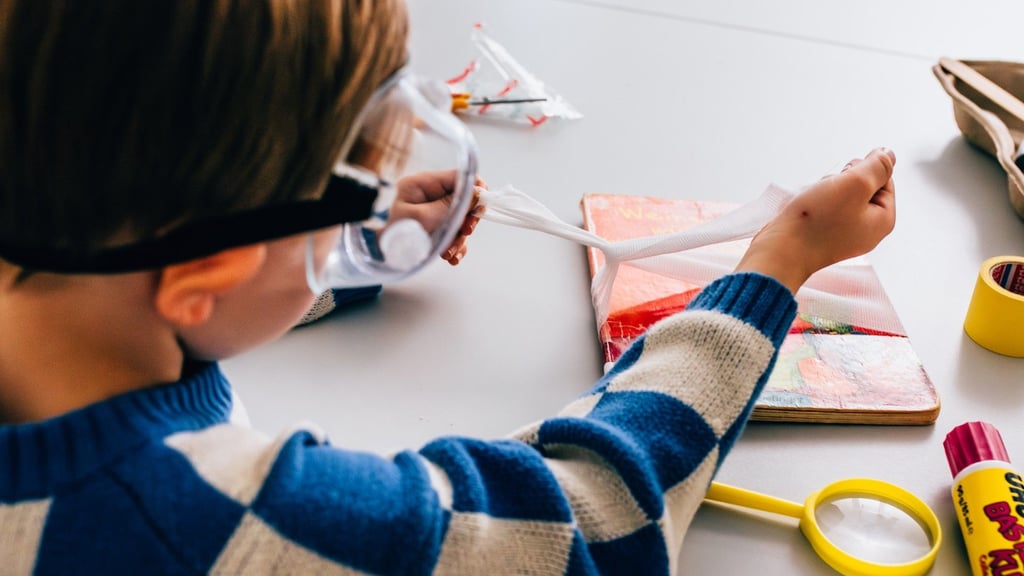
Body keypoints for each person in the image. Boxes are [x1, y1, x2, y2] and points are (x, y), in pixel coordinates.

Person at [0, 1, 896, 574]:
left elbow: (149, 285)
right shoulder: (205, 521)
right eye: (348, 191)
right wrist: (773, 268)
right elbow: (594, 525)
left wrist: (342, 252)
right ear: (205, 272)